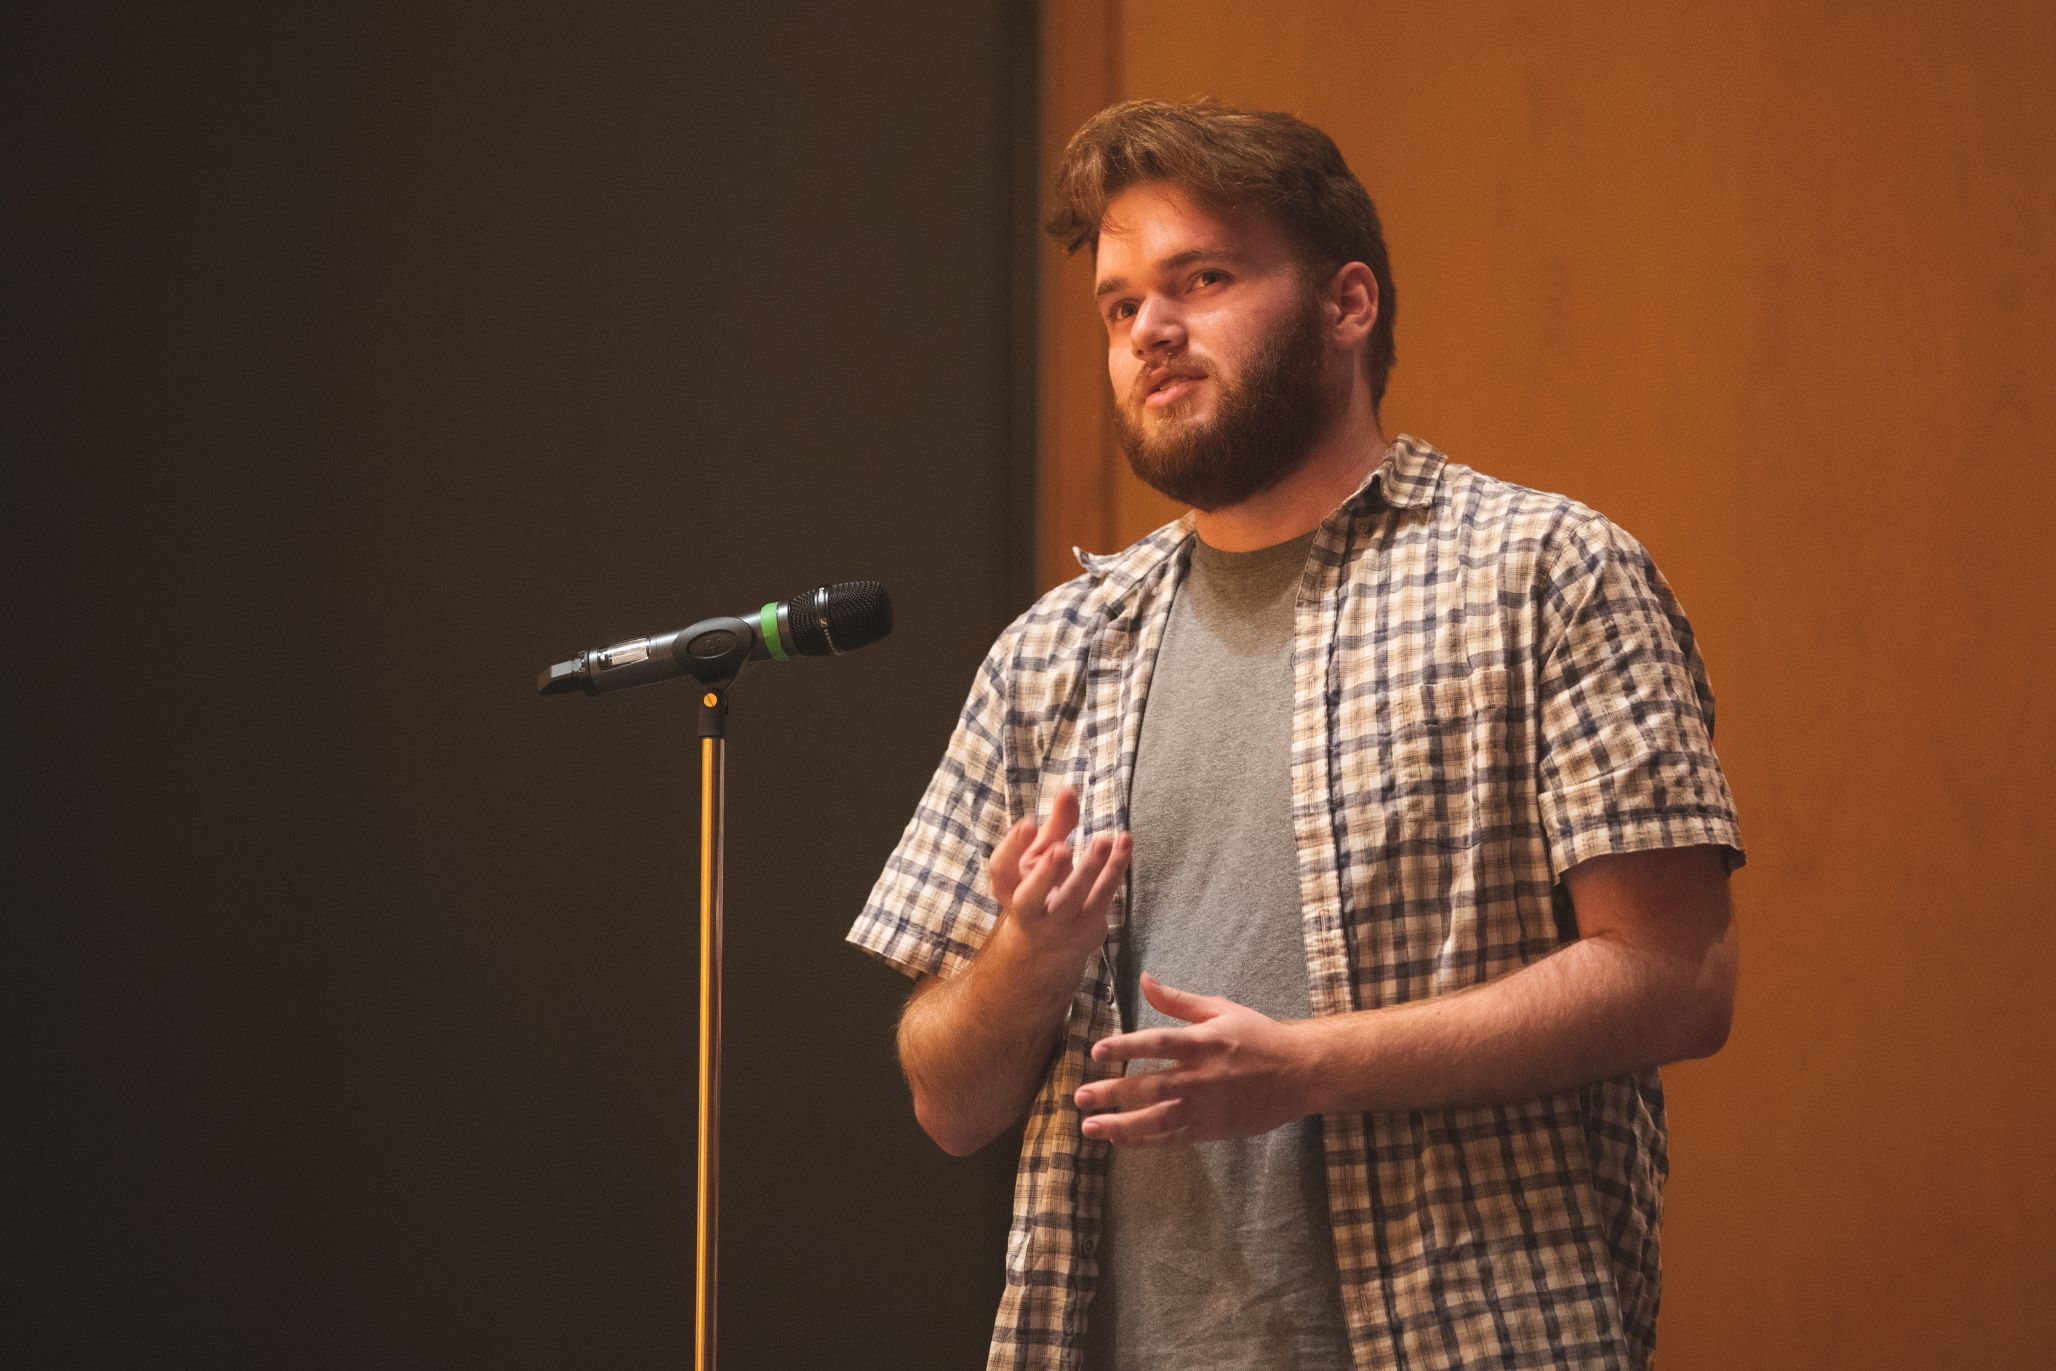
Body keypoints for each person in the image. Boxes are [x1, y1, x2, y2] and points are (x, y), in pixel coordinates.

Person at [847, 98, 1743, 1371]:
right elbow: (946, 1098)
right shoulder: (1056, 651)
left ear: (1347, 305)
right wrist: (1026, 957)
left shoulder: (1543, 574)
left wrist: (1309, 1068)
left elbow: (1679, 977)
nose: (1150, 328)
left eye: (1200, 278)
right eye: (1117, 304)